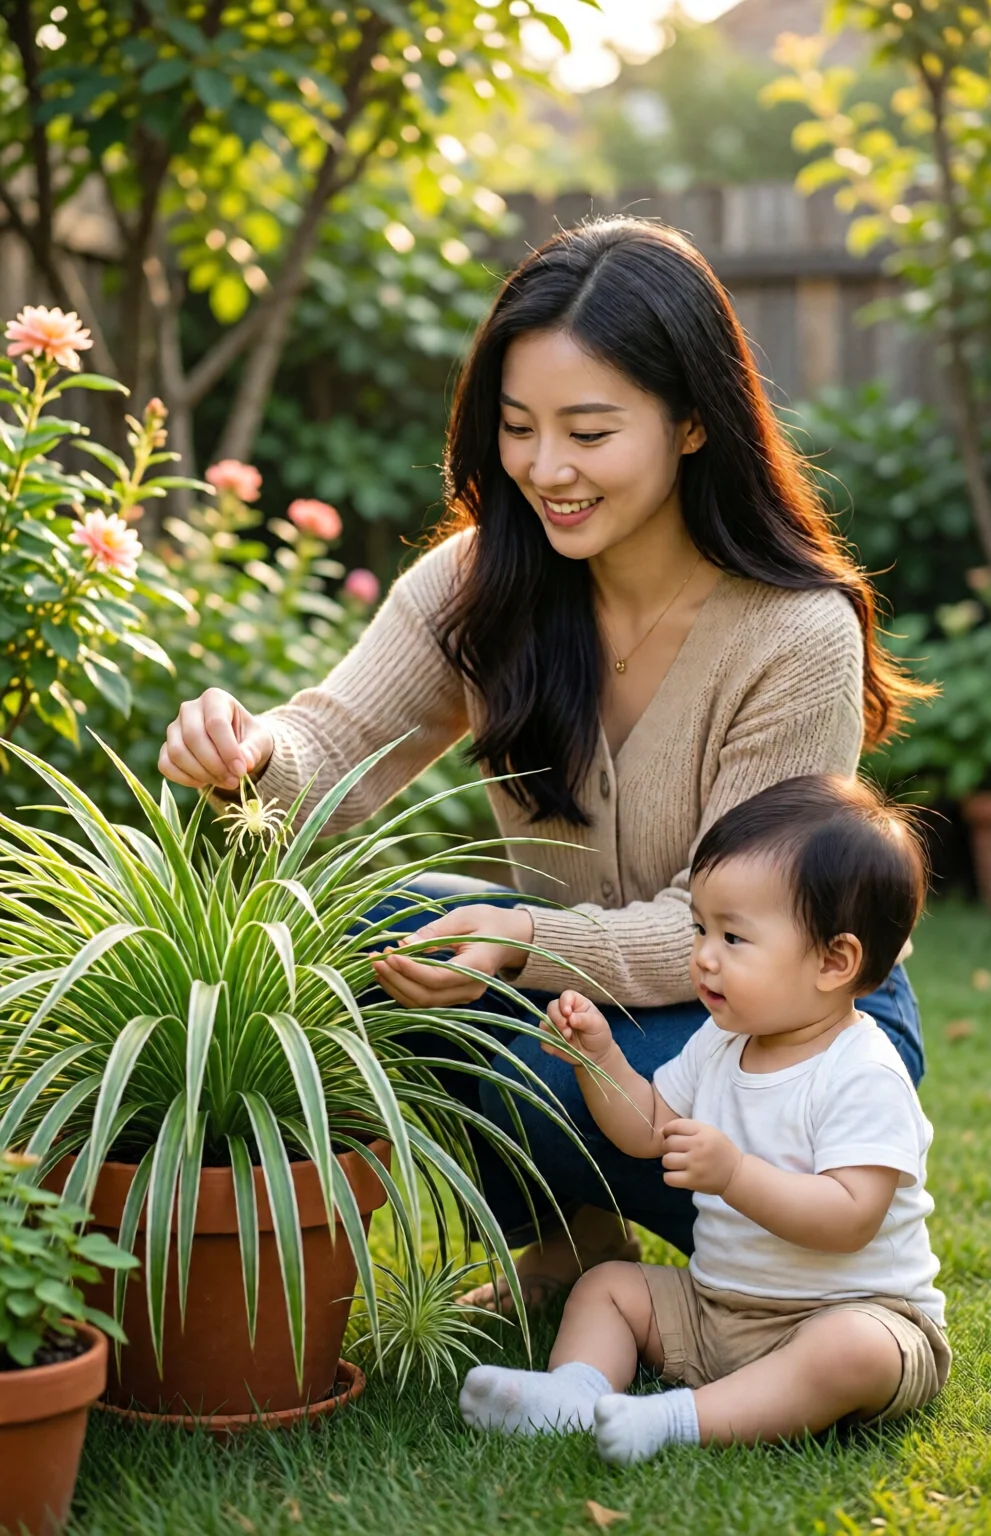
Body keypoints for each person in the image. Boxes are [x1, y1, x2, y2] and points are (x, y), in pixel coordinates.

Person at [158, 217, 932, 1308]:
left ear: (694, 422)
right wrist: (245, 754)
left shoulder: (791, 632)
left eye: (589, 430)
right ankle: (565, 1244)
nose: (544, 468)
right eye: (518, 427)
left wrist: (524, 939)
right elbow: (329, 743)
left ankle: (794, 1246)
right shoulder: (481, 582)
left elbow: (749, 925)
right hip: (593, 1009)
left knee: (528, 1074)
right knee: (361, 926)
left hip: (788, 1037)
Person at [460, 775, 949, 1460]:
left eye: (733, 938)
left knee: (854, 1352)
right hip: (718, 1308)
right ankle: (572, 1394)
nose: (703, 955)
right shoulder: (722, 1042)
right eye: (700, 927)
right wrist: (601, 1062)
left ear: (834, 960)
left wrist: (735, 1175)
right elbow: (647, 1128)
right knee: (610, 1287)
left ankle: (675, 1421)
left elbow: (850, 1217)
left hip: (850, 1310)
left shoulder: (862, 1072)